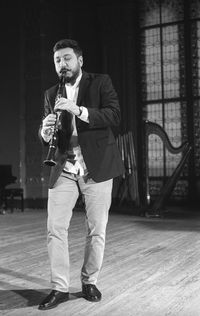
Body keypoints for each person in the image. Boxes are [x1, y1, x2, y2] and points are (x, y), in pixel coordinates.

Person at [38, 38, 124, 310]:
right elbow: (47, 134)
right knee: (55, 229)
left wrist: (78, 110)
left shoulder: (100, 82)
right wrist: (45, 131)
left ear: (79, 60)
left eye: (66, 58)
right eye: (57, 61)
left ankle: (89, 281)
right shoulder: (51, 93)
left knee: (96, 229)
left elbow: (113, 115)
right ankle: (59, 287)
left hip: (95, 166)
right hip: (64, 166)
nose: (62, 64)